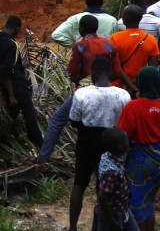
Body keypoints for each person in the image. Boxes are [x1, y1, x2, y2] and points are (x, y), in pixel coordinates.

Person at [38, 15, 127, 164]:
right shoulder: (109, 44)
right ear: (97, 28)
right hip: (110, 87)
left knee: (57, 120)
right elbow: (117, 71)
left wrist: (77, 79)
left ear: (81, 29)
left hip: (87, 88)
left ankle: (43, 157)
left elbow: (72, 71)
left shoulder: (81, 45)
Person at [68, 57, 131, 231]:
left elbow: (74, 120)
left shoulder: (81, 93)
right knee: (102, 190)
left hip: (86, 142)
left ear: (92, 73)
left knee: (79, 184)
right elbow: (124, 123)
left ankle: (73, 226)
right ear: (111, 73)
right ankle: (96, 227)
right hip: (112, 146)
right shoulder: (123, 95)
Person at [0, 16, 43, 149]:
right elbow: (8, 70)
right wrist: (11, 95)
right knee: (29, 113)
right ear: (17, 28)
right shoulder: (12, 45)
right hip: (15, 83)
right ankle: (38, 144)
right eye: (19, 30)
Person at [117, 67, 160, 231]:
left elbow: (122, 136)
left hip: (141, 162)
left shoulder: (133, 107)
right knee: (149, 202)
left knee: (136, 207)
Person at [96, 128, 140, 231]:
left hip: (122, 207)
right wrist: (111, 220)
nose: (128, 143)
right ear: (120, 147)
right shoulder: (111, 171)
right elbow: (102, 197)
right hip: (112, 212)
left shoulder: (107, 155)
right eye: (126, 141)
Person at [111, 5, 158, 97]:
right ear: (140, 19)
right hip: (140, 88)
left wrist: (130, 86)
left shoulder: (115, 38)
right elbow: (152, 69)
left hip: (120, 88)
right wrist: (135, 86)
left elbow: (116, 68)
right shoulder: (150, 39)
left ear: (124, 18)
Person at [52, 0, 120, 47]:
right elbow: (115, 42)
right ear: (102, 3)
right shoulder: (112, 20)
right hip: (105, 59)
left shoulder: (75, 18)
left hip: (82, 59)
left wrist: (77, 45)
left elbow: (56, 35)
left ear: (86, 2)